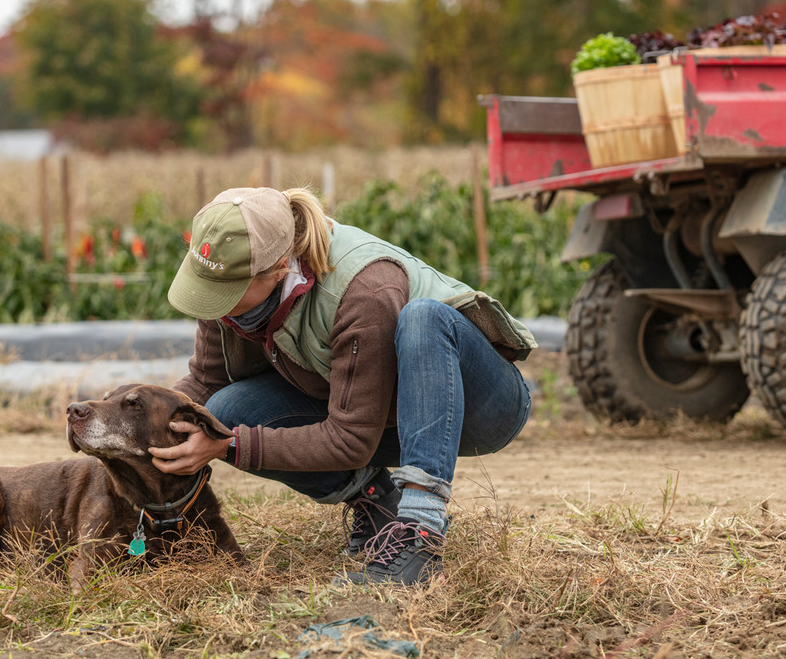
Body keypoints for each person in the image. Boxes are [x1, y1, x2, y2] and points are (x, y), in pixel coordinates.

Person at [149, 186, 535, 585]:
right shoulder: (227, 282)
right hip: (384, 418)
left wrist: (228, 445)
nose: (213, 302)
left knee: (424, 318)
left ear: (279, 267)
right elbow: (205, 381)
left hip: (478, 407)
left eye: (226, 291)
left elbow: (351, 440)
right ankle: (379, 503)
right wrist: (133, 432)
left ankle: (420, 537)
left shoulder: (363, 288)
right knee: (225, 413)